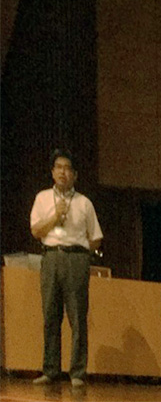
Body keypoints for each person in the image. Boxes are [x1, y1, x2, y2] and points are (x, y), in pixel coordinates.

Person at [29, 149, 103, 388]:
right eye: (58, 167)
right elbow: (36, 230)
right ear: (52, 172)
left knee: (78, 317)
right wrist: (55, 216)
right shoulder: (42, 198)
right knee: (50, 316)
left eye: (68, 168)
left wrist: (80, 251)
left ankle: (77, 372)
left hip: (76, 259)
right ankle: (50, 370)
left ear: (75, 175)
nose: (63, 172)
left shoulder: (84, 203)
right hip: (51, 257)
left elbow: (96, 238)